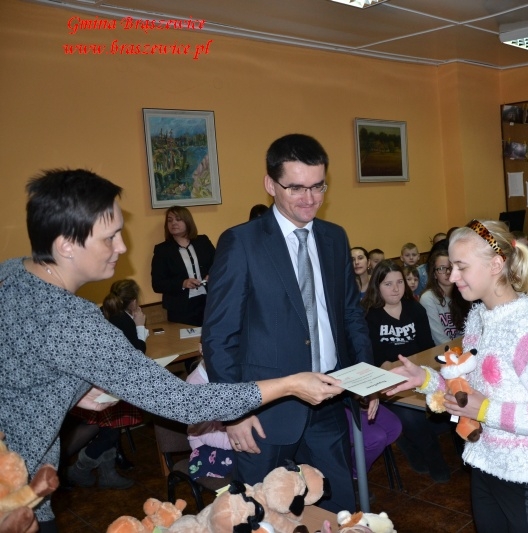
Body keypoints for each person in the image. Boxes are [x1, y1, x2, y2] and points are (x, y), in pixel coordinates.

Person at [0, 168, 345, 530]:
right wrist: (289, 384)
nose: (122, 247)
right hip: (14, 501)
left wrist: (70, 386)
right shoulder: (71, 321)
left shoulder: (12, 274)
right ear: (66, 245)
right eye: (110, 237)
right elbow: (183, 402)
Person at [202, 134, 375, 513]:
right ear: (270, 184)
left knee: (337, 508)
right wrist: (234, 412)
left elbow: (349, 314)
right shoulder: (241, 242)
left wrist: (367, 377)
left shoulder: (334, 237)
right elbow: (219, 336)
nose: (309, 198)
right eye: (296, 187)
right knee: (262, 514)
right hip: (265, 414)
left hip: (330, 399)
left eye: (318, 187)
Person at [385, 220, 528, 532]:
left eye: (461, 267)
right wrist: (425, 380)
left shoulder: (527, 329)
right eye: (451, 267)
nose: (452, 277)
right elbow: (471, 392)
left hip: (526, 478)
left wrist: (486, 410)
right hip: (485, 463)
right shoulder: (479, 317)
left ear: (495, 265)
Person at [361, 260, 445, 481]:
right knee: (412, 417)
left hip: (418, 374)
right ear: (377, 286)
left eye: (399, 282)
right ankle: (434, 459)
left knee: (446, 406)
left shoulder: (415, 309)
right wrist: (386, 367)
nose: (396, 288)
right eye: (388, 284)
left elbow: (427, 347)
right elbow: (372, 356)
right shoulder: (369, 315)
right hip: (389, 382)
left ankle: (410, 443)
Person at [67, 279, 149, 490]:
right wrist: (140, 326)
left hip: (99, 382)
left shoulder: (106, 313)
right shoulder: (123, 320)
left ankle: (106, 474)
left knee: (108, 431)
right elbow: (136, 355)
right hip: (106, 385)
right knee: (109, 431)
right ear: (133, 301)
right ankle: (78, 469)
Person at [150, 206, 216, 326]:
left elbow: (219, 265)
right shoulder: (163, 250)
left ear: (187, 221)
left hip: (208, 301)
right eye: (170, 220)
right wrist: (183, 283)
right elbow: (157, 284)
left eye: (178, 219)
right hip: (180, 308)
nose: (173, 223)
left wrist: (212, 275)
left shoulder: (203, 241)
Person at [185, 359, 235, 481]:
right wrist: (235, 441)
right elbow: (204, 433)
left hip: (228, 438)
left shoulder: (229, 372)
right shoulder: (194, 384)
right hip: (205, 445)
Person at [419, 246, 469, 345]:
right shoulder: (428, 298)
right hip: (443, 350)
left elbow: (470, 332)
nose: (448, 272)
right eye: (441, 268)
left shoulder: (464, 293)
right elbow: (438, 338)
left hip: (466, 348)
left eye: (451, 267)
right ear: (434, 274)